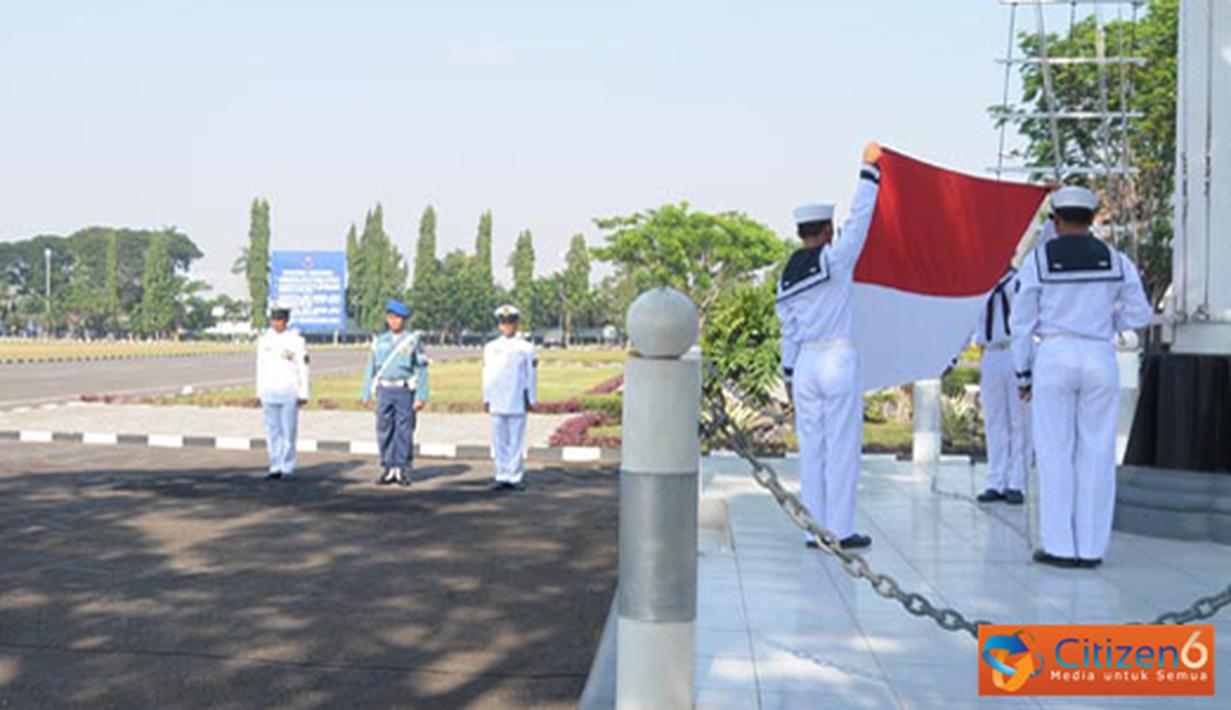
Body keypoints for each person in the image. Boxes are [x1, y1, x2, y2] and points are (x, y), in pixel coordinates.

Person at [1010, 186, 1152, 569]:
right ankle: (1091, 549)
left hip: (1054, 353)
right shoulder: (1116, 260)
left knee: (1055, 451)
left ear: (1056, 220)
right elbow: (1140, 314)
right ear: (1091, 219)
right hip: (1098, 353)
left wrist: (1023, 375)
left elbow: (1020, 324)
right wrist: (1110, 323)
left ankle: (1059, 546)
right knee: (1097, 451)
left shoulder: (1038, 260)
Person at [776, 141, 882, 550]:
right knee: (842, 448)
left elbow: (787, 329)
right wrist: (868, 172)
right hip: (837, 357)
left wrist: (788, 376)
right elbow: (861, 220)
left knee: (812, 451)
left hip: (804, 366)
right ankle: (840, 530)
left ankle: (813, 528)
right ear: (825, 231)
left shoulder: (786, 275)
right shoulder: (835, 262)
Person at [974, 267, 1029, 506]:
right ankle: (995, 480)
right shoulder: (979, 283)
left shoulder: (1018, 280)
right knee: (994, 420)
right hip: (991, 353)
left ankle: (1017, 482)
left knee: (1020, 421)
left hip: (1013, 349)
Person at [360, 299, 429, 487]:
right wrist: (365, 392)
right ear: (387, 319)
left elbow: (421, 368)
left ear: (403, 319)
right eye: (391, 317)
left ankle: (402, 467)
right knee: (384, 428)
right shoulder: (379, 341)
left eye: (398, 318)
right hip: (384, 389)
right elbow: (371, 367)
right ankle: (388, 467)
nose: (394, 321)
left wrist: (421, 395)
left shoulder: (412, 341)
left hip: (404, 389)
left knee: (404, 429)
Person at [482, 304, 538, 491]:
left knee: (516, 439)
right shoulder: (491, 348)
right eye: (503, 323)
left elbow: (531, 374)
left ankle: (514, 476)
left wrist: (531, 398)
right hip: (497, 398)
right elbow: (487, 374)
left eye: (510, 323)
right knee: (499, 439)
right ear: (499, 325)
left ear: (516, 324)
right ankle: (501, 474)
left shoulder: (526, 348)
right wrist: (486, 397)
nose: (507, 326)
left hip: (516, 397)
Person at [256, 303, 310, 480]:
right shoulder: (264, 340)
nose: (276, 323)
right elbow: (260, 367)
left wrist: (304, 392)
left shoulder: (296, 341)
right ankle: (274, 466)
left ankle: (287, 466)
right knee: (272, 431)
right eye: (273, 319)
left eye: (279, 319)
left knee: (289, 430)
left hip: (289, 390)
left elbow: (303, 367)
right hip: (269, 390)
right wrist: (259, 392)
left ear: (286, 321)